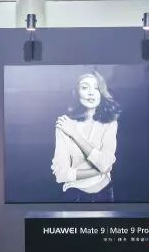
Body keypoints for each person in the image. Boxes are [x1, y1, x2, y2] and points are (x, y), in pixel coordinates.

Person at [51, 71, 121, 203]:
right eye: (84, 87)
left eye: (96, 88)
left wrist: (75, 135)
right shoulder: (64, 123)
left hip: (105, 194)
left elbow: (105, 163)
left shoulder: (110, 122)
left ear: (101, 93)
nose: (91, 93)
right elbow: (60, 174)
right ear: (76, 92)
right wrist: (99, 171)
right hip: (75, 197)